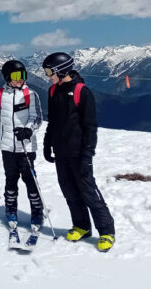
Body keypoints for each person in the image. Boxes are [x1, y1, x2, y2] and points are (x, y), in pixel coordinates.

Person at [42, 52, 115, 252]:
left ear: (61, 70)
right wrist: (47, 144)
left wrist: (87, 156)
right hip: (61, 152)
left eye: (49, 71)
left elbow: (90, 127)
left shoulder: (82, 92)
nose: (47, 75)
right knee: (69, 191)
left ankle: (107, 231)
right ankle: (82, 226)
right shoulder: (52, 91)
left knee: (89, 192)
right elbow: (53, 122)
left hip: (78, 153)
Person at [0, 60, 44, 237]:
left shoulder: (31, 94)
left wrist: (28, 130)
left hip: (26, 145)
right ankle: (11, 210)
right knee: (11, 178)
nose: (21, 80)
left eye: (23, 75)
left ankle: (37, 211)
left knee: (30, 179)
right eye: (17, 76)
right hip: (7, 146)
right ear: (8, 77)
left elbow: (37, 118)